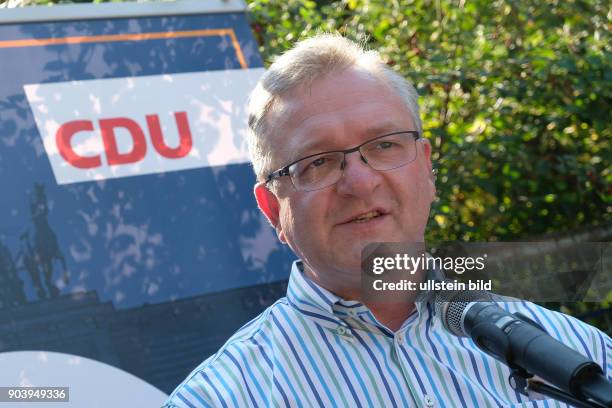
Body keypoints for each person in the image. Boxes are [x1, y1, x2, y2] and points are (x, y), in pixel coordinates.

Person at [164, 34, 610, 407]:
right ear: (272, 209)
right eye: (317, 162)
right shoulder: (220, 399)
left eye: (384, 145)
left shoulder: (580, 356)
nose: (359, 182)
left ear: (427, 168)